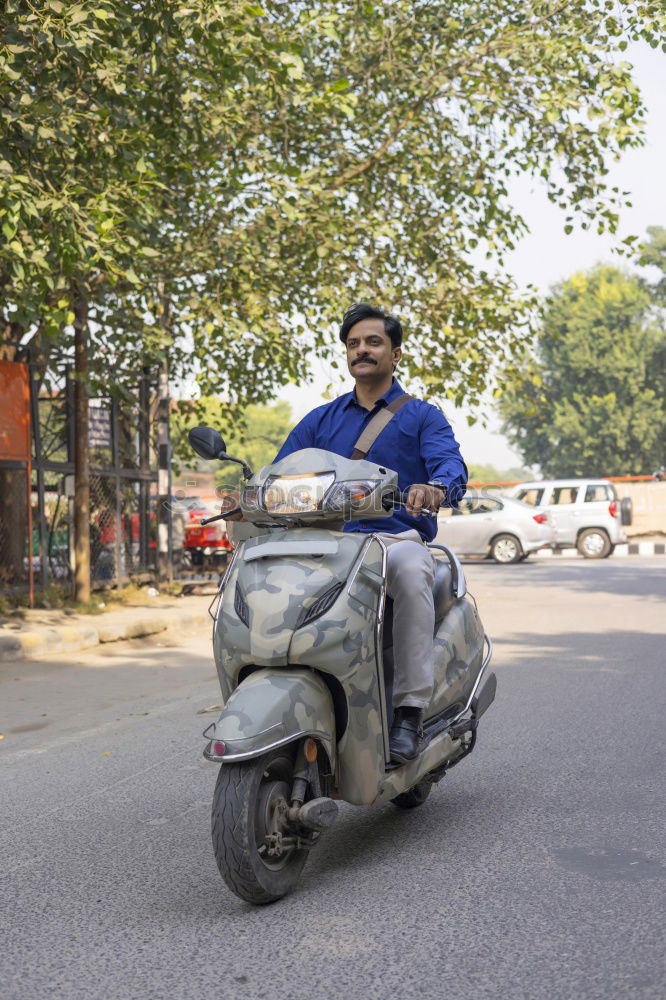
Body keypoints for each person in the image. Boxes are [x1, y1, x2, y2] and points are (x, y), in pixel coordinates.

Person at [224, 303, 467, 762]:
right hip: (322, 542)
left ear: (395, 354)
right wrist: (247, 496)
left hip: (389, 541)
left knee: (414, 570)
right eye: (353, 343)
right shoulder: (320, 420)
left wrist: (434, 487)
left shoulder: (421, 417)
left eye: (373, 342)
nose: (362, 350)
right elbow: (281, 473)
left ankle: (410, 709)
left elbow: (449, 465)